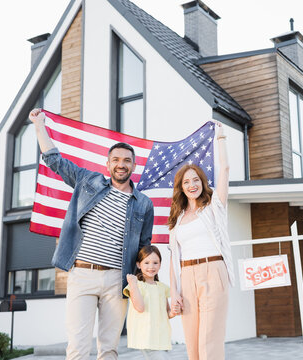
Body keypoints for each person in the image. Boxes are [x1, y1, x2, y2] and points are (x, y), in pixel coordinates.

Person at [28, 108, 154, 360]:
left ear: (134, 165)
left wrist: (145, 283)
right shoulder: (88, 181)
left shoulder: (144, 204)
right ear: (107, 164)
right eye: (116, 159)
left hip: (118, 281)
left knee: (109, 349)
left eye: (127, 160)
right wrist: (39, 126)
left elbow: (144, 247)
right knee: (78, 347)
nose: (121, 164)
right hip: (82, 274)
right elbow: (55, 161)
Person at [168, 121, 235, 360]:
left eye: (195, 180)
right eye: (186, 182)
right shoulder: (177, 219)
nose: (192, 185)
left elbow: (225, 169)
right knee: (192, 342)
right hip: (187, 277)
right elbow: (174, 257)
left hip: (213, 271)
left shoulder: (214, 207)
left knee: (210, 339)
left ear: (202, 182)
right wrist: (174, 292)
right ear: (181, 187)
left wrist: (221, 138)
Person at [124, 245, 180, 360]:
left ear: (160, 264)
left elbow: (167, 313)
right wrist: (133, 285)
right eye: (147, 262)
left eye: (155, 262)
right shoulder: (137, 285)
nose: (151, 266)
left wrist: (174, 312)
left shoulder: (162, 288)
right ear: (139, 264)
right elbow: (140, 307)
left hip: (160, 336)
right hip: (146, 337)